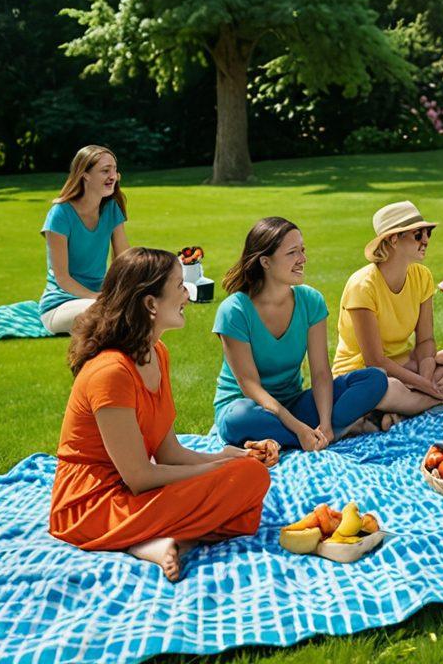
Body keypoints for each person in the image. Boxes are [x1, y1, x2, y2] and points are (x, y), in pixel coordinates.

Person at [49, 248, 273, 582]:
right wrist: (221, 468)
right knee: (246, 482)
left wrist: (223, 456)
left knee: (248, 481)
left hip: (136, 493)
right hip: (92, 504)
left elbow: (169, 452)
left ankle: (160, 539)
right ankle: (154, 538)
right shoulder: (111, 372)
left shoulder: (157, 353)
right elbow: (139, 476)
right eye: (180, 285)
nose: (187, 294)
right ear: (150, 304)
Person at [213, 217, 400, 448]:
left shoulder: (310, 301)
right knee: (238, 419)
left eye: (302, 250)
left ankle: (321, 435)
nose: (303, 259)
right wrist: (298, 427)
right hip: (248, 406)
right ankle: (308, 437)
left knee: (374, 378)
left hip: (293, 403)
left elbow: (321, 372)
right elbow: (251, 387)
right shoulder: (235, 311)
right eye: (292, 253)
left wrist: (325, 423)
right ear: (265, 262)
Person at [334, 201, 443, 410]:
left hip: (407, 366)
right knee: (387, 388)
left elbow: (426, 340)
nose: (426, 240)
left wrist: (426, 377)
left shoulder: (422, 276)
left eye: (428, 233)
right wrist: (423, 383)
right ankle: (442, 397)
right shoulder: (363, 286)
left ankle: (417, 403)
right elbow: (375, 361)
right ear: (393, 239)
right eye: (418, 235)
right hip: (366, 376)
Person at [39, 145, 131, 334]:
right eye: (105, 170)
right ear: (85, 174)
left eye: (114, 169)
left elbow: (124, 261)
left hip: (100, 298)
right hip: (61, 303)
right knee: (102, 315)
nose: (113, 176)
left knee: (138, 310)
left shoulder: (111, 209)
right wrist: (96, 297)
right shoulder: (60, 214)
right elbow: (62, 278)